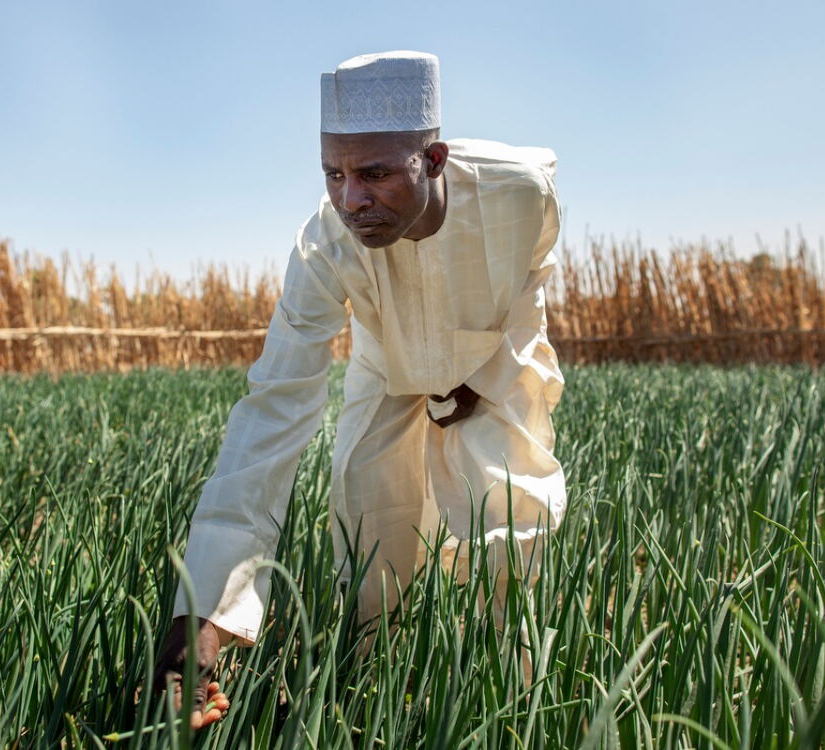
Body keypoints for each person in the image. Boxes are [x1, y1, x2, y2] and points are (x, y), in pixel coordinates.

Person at [152, 50, 567, 730]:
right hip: (386, 359)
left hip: (494, 345)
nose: (351, 199)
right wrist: (203, 611)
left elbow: (529, 274)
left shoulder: (519, 189)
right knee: (372, 528)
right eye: (333, 174)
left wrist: (476, 364)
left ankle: (515, 709)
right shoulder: (324, 245)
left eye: (373, 173)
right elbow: (274, 407)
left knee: (511, 523)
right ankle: (376, 696)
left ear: (433, 159)